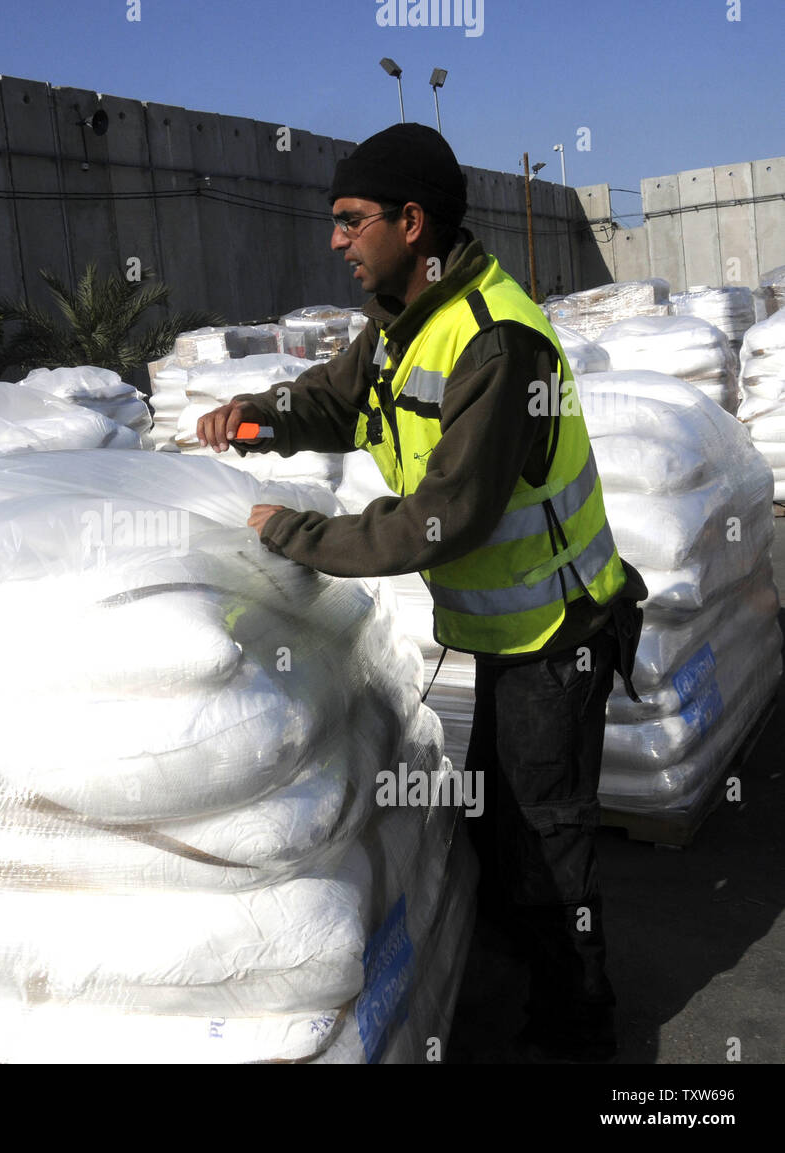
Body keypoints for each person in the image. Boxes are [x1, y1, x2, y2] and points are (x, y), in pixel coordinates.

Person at [196, 122, 646, 1063]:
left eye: (350, 220)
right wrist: (257, 418)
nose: (335, 239)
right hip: (513, 635)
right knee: (501, 814)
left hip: (558, 634)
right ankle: (532, 977)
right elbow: (333, 398)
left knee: (544, 842)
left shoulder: (495, 339)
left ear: (411, 221)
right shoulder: (406, 320)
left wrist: (294, 532)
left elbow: (441, 520)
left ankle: (580, 1030)